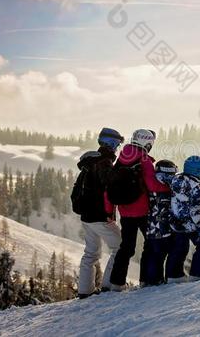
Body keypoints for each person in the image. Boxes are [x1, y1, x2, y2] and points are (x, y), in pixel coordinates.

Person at [105, 129, 169, 291]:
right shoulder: (144, 159)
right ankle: (146, 279)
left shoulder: (121, 157)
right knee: (150, 244)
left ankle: (117, 283)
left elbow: (109, 187)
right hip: (142, 211)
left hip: (125, 211)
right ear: (147, 143)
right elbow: (152, 184)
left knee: (126, 247)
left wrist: (109, 211)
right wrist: (169, 188)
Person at [74, 128, 124, 299]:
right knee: (120, 247)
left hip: (87, 216)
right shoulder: (104, 162)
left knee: (91, 253)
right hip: (100, 216)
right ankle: (108, 286)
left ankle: (85, 291)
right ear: (110, 143)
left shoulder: (90, 161)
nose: (117, 147)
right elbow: (110, 185)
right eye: (117, 143)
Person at [166, 155, 200, 283]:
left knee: (180, 248)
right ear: (199, 170)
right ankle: (197, 274)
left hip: (175, 222)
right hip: (190, 224)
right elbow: (195, 208)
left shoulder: (175, 180)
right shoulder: (195, 186)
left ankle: (174, 276)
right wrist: (199, 224)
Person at [143, 159, 177, 286]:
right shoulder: (168, 185)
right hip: (164, 227)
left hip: (151, 226)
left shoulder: (151, 182)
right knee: (163, 254)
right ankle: (159, 280)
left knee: (154, 254)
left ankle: (152, 279)